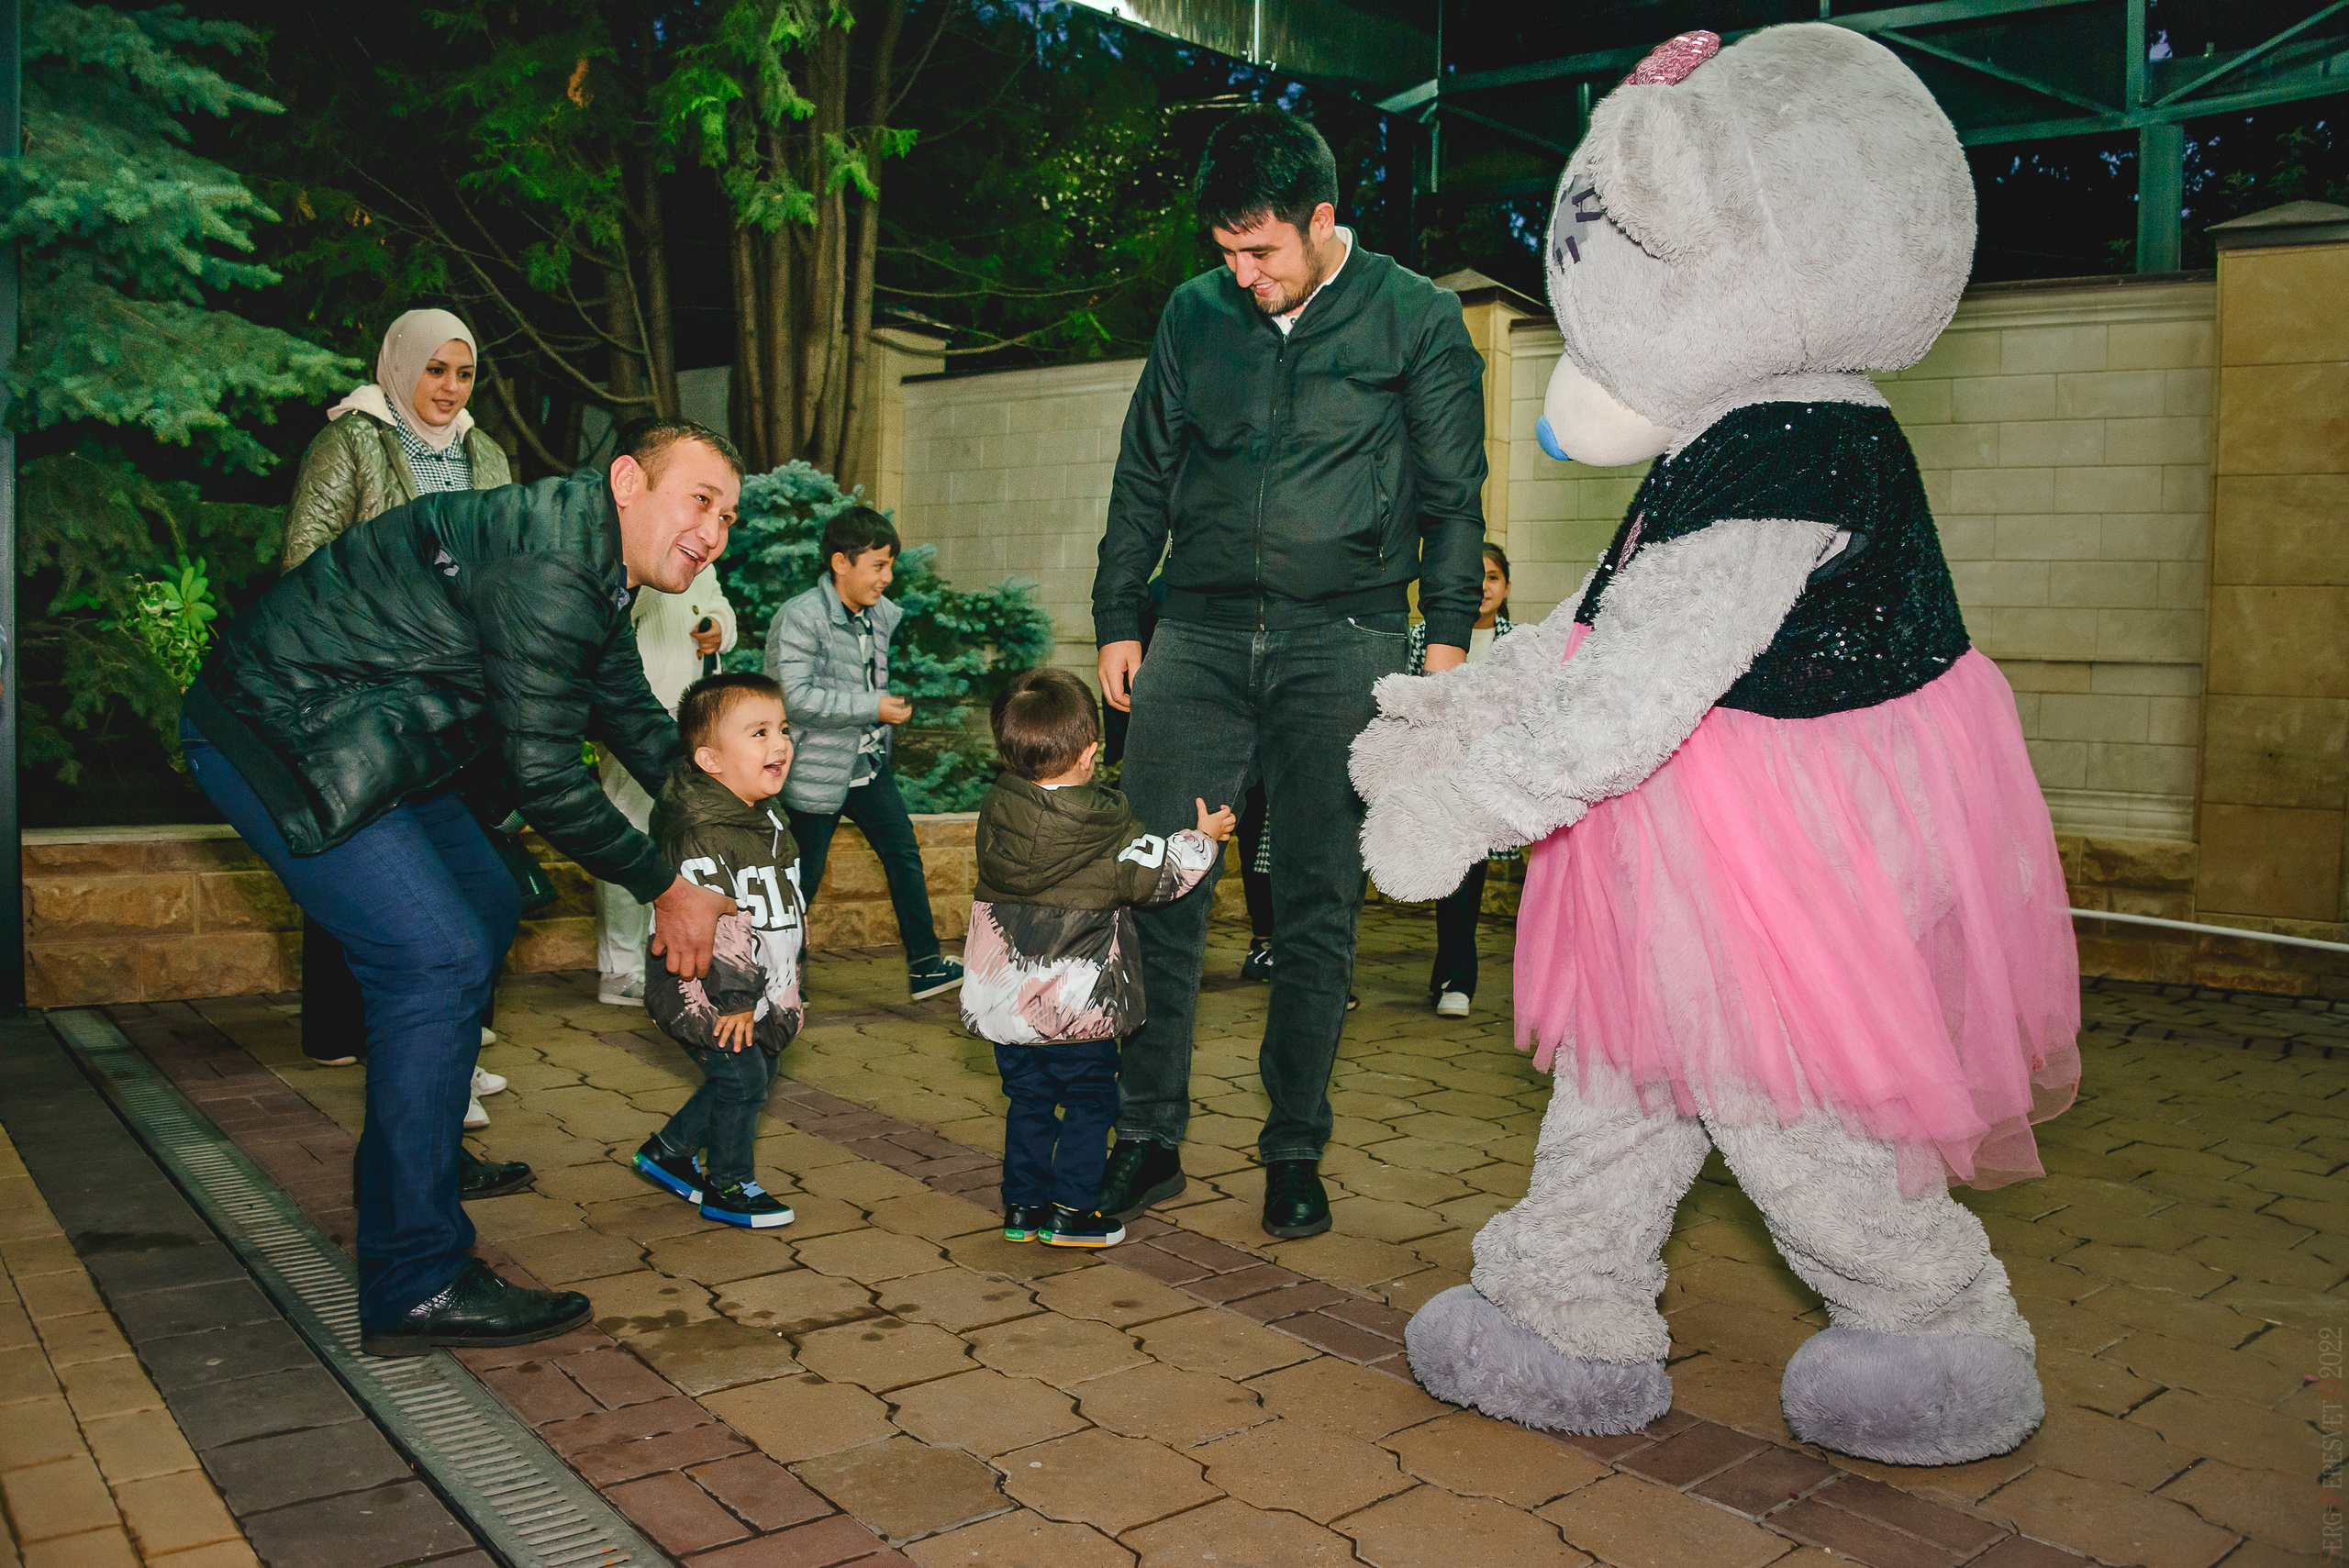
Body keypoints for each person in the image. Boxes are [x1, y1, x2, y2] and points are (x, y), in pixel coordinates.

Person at [179, 419, 743, 1357]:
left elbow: (631, 715)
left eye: (728, 514)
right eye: (700, 500)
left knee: (482, 900)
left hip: (372, 731)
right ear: (626, 483)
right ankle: (418, 1277)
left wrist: (717, 812)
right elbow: (549, 778)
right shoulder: (555, 566)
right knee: (434, 956)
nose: (715, 530)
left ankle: (420, 1153)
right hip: (281, 728)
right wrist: (664, 884)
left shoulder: (593, 565)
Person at [1090, 106, 1488, 1240]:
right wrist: (1124, 612)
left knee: (1316, 902)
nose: (1242, 272)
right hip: (1198, 637)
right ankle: (1147, 1138)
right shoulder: (1194, 315)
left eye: (1261, 249)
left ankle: (1293, 1147)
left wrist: (1444, 649)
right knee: (1158, 881)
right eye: (1225, 252)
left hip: (1346, 637)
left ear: (1323, 220)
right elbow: (1144, 469)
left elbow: (1453, 496)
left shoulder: (1417, 317)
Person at [280, 310, 515, 1135]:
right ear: (401, 366)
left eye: (465, 373)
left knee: (479, 884)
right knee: (400, 880)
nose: (450, 388)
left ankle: (449, 1044)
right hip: (369, 695)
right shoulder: (353, 440)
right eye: (436, 370)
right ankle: (419, 1056)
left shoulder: (486, 453)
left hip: (454, 700)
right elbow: (305, 560)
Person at [961, 669, 1233, 1249]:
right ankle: (1073, 1212)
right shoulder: (1100, 823)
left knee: (1028, 1103)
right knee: (1090, 1102)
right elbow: (1159, 876)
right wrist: (1203, 836)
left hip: (1006, 1005)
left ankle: (1023, 1207)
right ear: (1090, 753)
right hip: (1074, 1009)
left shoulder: (998, 811)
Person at [766, 506, 963, 1002]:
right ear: (840, 562)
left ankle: (925, 967)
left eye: (889, 565)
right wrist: (871, 707)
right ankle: (780, 978)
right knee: (800, 878)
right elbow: (793, 698)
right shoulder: (800, 616)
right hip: (815, 770)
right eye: (877, 565)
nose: (887, 577)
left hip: (869, 766)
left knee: (904, 857)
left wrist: (875, 713)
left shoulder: (873, 616)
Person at [633, 673, 806, 1229]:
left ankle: (669, 1151)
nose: (779, 743)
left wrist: (785, 982)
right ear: (710, 760)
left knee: (758, 1073)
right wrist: (733, 998)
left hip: (756, 984)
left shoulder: (765, 817)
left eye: (782, 729)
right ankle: (729, 1183)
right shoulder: (701, 833)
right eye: (758, 733)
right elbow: (718, 928)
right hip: (705, 987)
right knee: (742, 1079)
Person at [597, 557, 738, 1008]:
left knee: (683, 846)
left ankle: (673, 956)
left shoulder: (701, 562)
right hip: (635, 720)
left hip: (691, 722)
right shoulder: (628, 561)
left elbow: (717, 604)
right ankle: (620, 969)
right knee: (629, 837)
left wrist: (719, 627)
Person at [1419, 544, 1518, 1019]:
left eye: (1493, 577)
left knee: (1467, 879)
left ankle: (1459, 979)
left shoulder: (1520, 644)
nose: (1483, 587)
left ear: (1506, 587)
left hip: (1487, 781)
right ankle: (1447, 973)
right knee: (1449, 877)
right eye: (1474, 577)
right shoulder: (1423, 638)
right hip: (1436, 776)